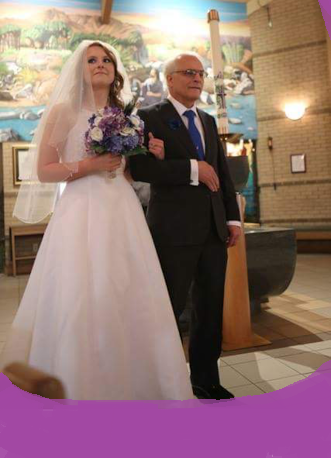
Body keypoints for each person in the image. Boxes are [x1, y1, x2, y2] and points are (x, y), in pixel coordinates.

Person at [0, 41, 194, 402]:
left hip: (122, 210)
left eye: (106, 59)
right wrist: (88, 165)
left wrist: (154, 155)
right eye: (92, 60)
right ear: (79, 69)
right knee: (83, 288)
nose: (100, 64)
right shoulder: (63, 112)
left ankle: (143, 382)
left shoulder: (126, 115)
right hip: (80, 211)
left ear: (115, 70)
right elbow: (43, 171)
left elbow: (128, 175)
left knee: (127, 286)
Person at [129, 52, 241, 400]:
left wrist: (232, 218)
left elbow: (221, 172)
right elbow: (140, 170)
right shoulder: (148, 117)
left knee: (209, 310)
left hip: (212, 230)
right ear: (170, 79)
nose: (196, 78)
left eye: (200, 73)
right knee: (169, 309)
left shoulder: (207, 120)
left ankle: (205, 380)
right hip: (172, 231)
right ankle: (163, 381)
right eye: (188, 72)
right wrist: (192, 169)